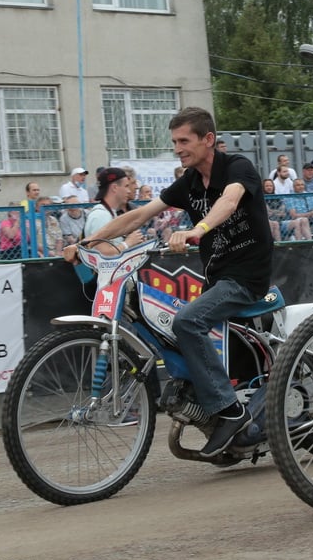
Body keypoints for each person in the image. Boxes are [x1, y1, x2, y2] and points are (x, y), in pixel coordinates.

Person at [71, 107, 273, 458]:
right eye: (174, 142)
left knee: (187, 322)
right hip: (217, 279)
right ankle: (213, 413)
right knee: (175, 330)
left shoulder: (237, 167)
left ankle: (230, 411)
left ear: (208, 139)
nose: (177, 149)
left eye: (184, 141)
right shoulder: (189, 183)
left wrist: (198, 229)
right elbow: (139, 215)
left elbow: (229, 201)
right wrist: (85, 243)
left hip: (246, 276)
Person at [82, 167, 144, 255]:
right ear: (114, 188)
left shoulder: (108, 213)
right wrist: (128, 243)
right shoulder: (101, 216)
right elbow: (104, 254)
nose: (128, 191)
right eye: (126, 186)